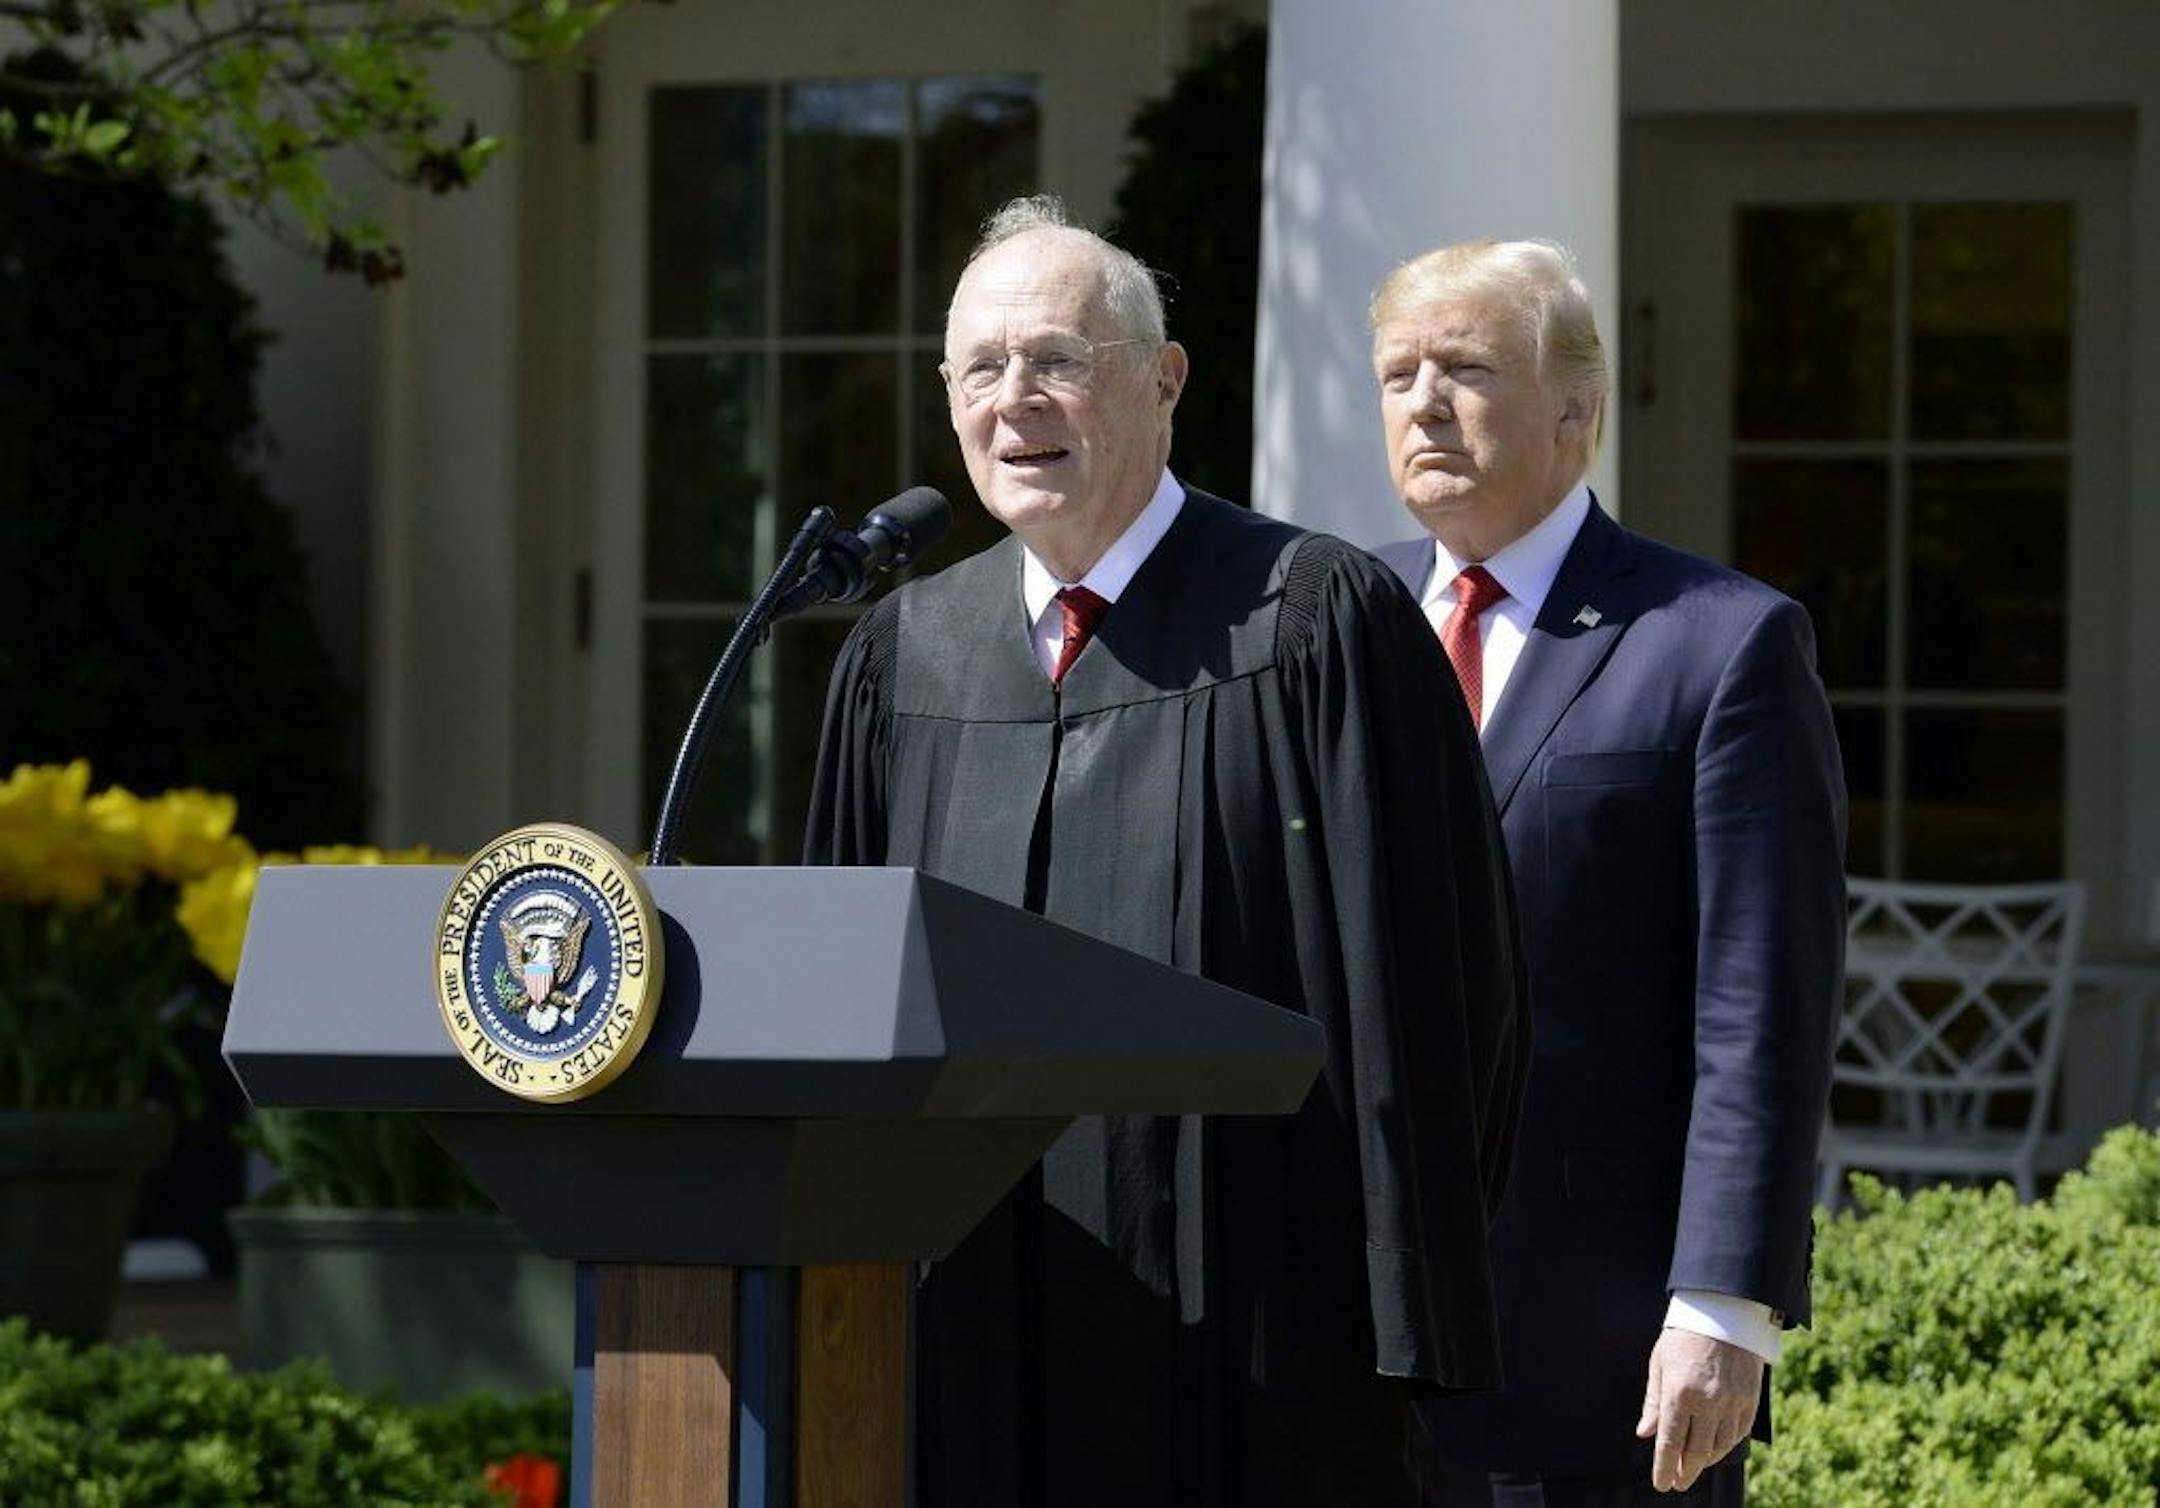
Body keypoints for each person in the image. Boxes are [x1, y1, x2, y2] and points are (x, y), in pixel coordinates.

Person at [803, 196, 1531, 1508]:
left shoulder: (1312, 624)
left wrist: (1397, 1325)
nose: (1014, 398)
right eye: (981, 367)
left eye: (1058, 360)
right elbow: (837, 1020)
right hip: (958, 1326)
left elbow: (1441, 996)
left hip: (1253, 1342)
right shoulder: (902, 658)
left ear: (1164, 379)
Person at [1368, 240, 1846, 1506]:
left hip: (1598, 1352)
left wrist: (1726, 1307)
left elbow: (1762, 1006)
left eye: (1465, 367)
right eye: (1397, 370)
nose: (1423, 400)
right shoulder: (1337, 630)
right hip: (1352, 1340)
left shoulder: (1720, 643)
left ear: (1575, 409)